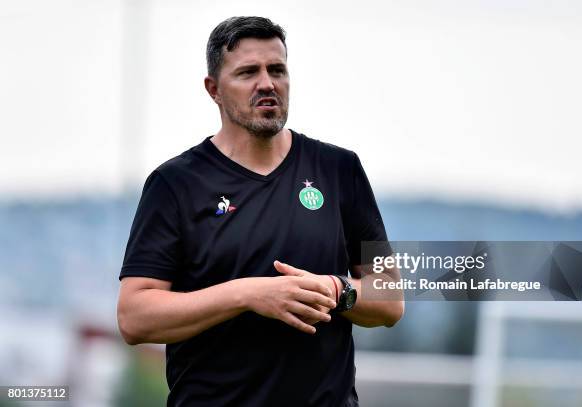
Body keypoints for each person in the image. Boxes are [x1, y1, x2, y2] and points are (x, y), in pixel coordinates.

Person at [117, 16, 403, 407]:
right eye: (248, 72)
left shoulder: (339, 170)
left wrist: (338, 290)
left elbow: (390, 299)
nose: (267, 83)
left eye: (277, 70)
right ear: (214, 90)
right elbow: (134, 317)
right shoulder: (176, 185)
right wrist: (247, 294)